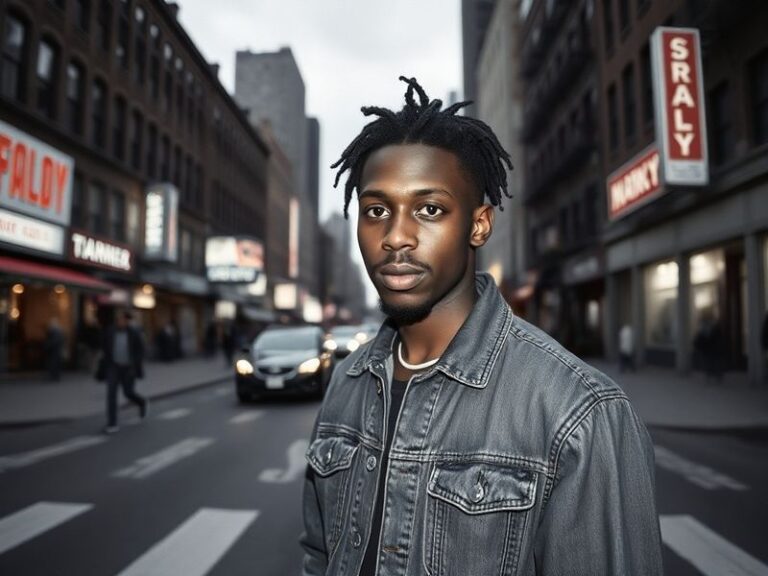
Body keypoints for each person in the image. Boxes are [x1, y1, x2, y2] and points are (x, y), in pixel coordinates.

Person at [300, 77, 662, 575]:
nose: (396, 237)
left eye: (430, 209)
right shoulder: (345, 383)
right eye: (376, 210)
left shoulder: (577, 414)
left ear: (479, 224)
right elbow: (319, 556)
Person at [102, 309, 148, 433]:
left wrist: (135, 364)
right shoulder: (110, 331)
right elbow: (105, 348)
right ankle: (112, 423)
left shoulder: (134, 333)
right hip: (114, 367)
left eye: (124, 320)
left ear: (127, 321)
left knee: (128, 392)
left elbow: (140, 350)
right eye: (119, 319)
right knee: (111, 394)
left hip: (128, 368)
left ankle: (141, 402)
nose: (121, 322)